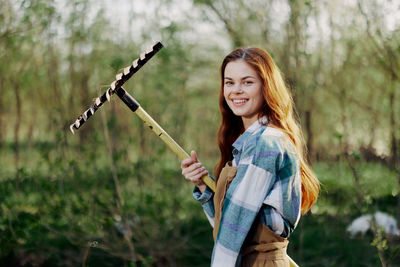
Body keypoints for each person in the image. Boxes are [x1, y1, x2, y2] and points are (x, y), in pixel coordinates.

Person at [181, 47, 320, 267]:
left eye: (247, 82)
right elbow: (229, 226)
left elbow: (233, 231)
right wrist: (202, 186)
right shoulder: (252, 142)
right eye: (229, 82)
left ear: (267, 87)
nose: (236, 90)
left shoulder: (264, 144)